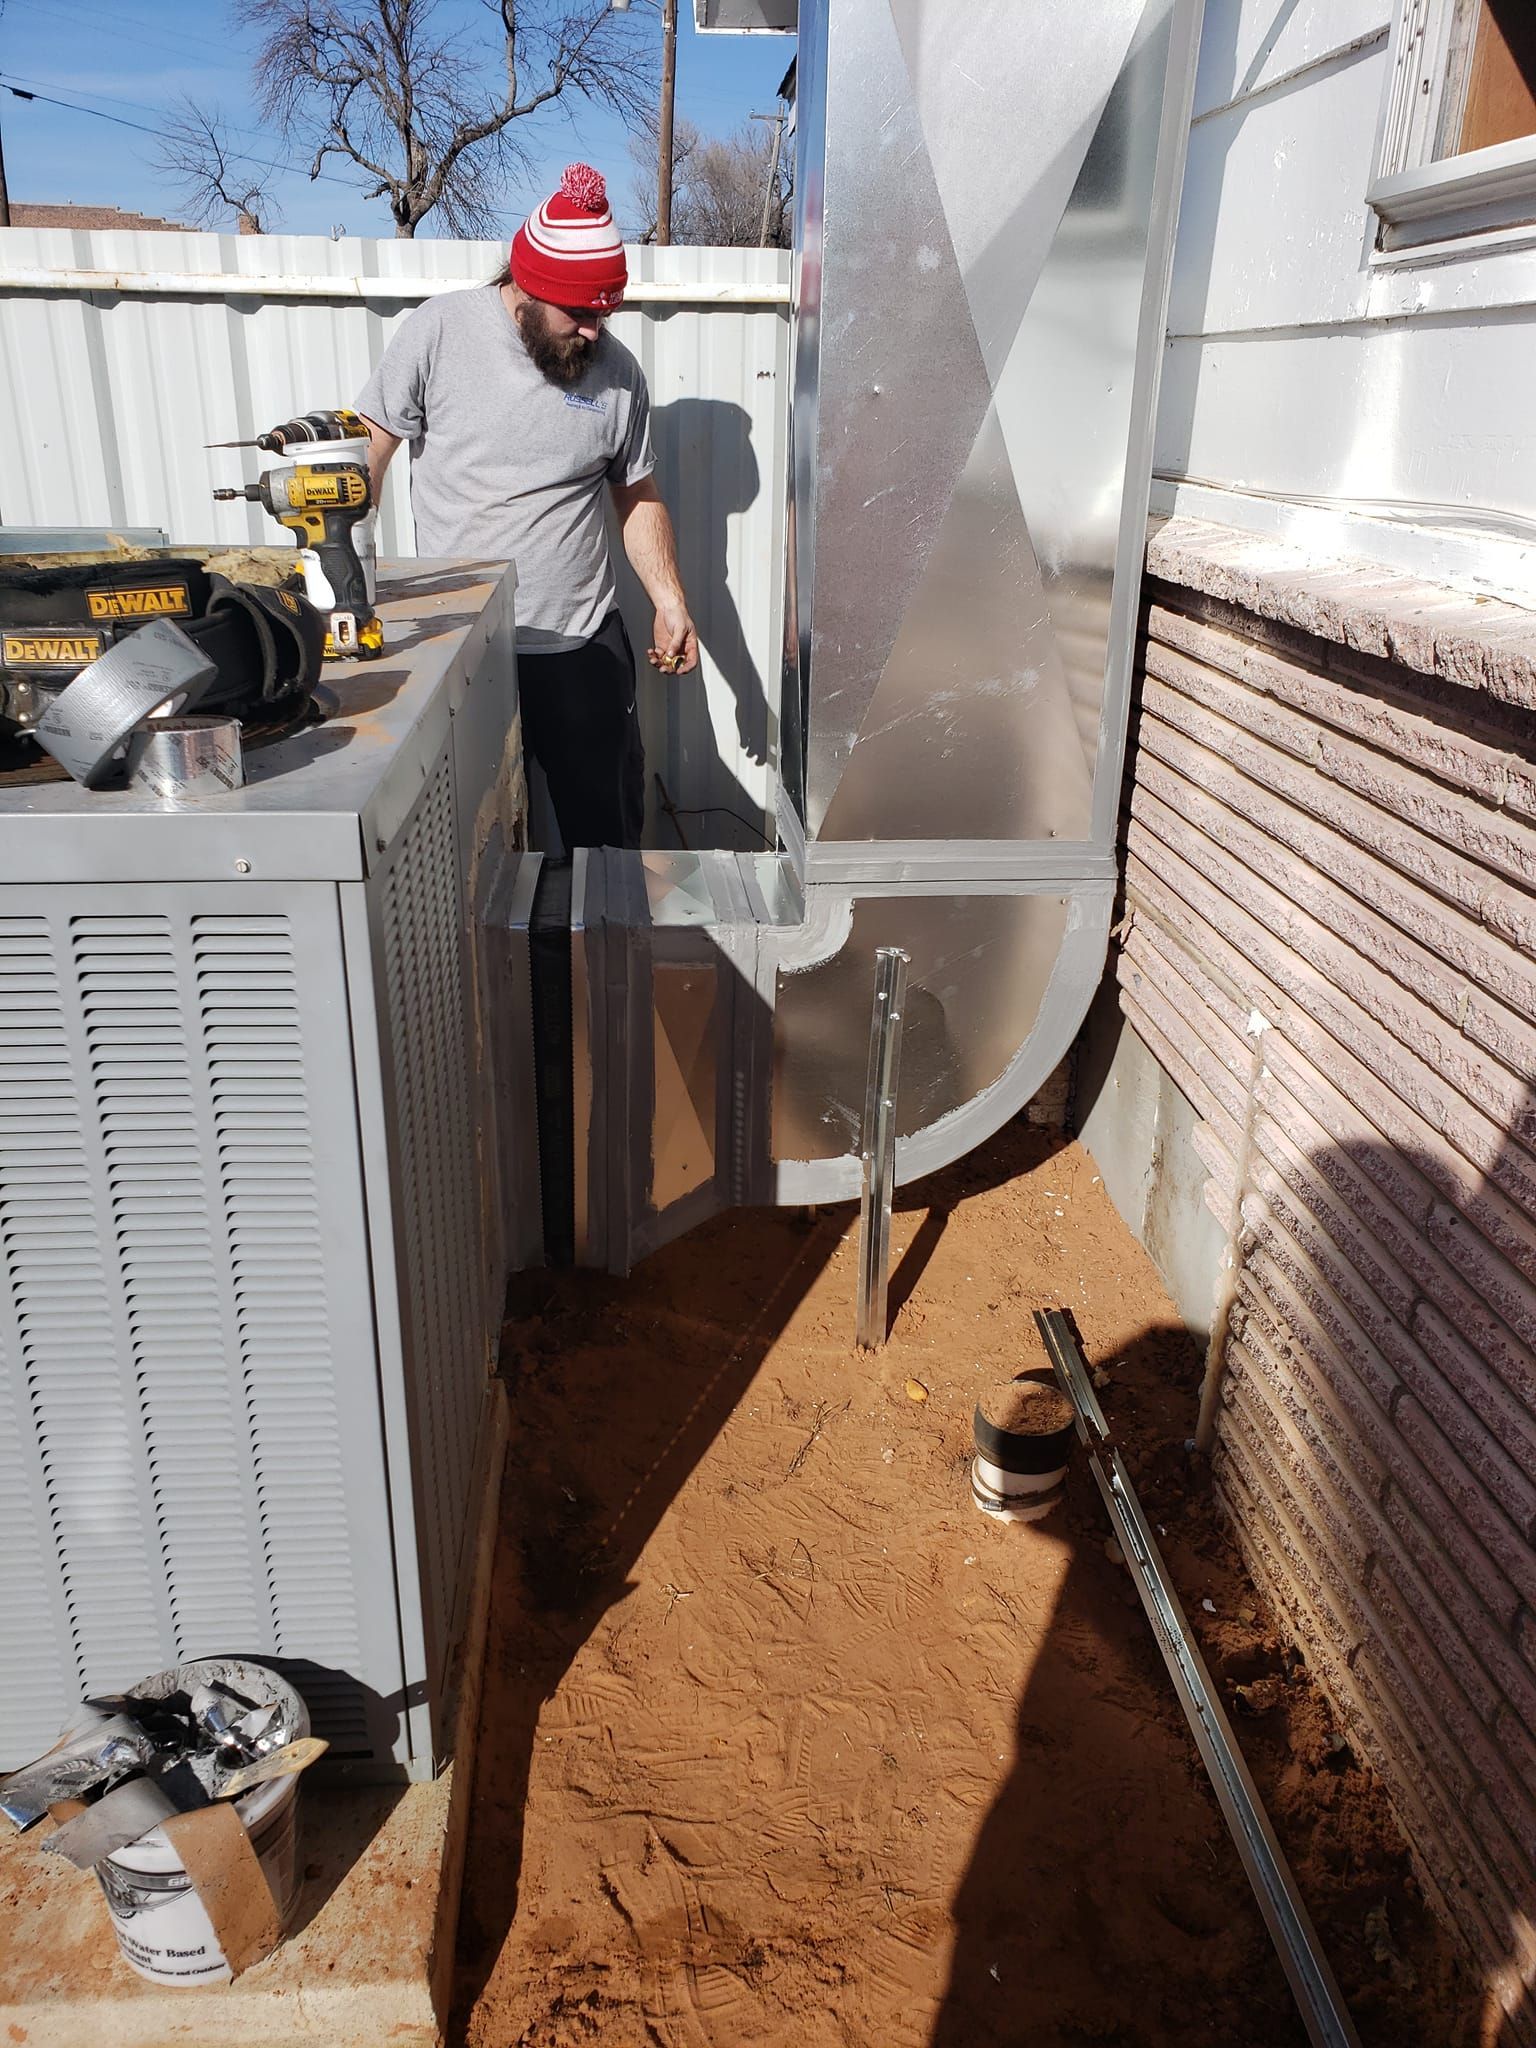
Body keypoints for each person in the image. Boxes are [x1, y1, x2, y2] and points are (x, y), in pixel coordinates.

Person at [356, 162, 697, 851]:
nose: (596, 331)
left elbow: (636, 494)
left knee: (605, 841)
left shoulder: (619, 373)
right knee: (467, 849)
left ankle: (598, 959)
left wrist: (669, 600)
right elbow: (371, 450)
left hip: (578, 644)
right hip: (460, 646)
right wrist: (352, 584)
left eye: (606, 312)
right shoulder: (439, 332)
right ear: (527, 290)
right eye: (580, 313)